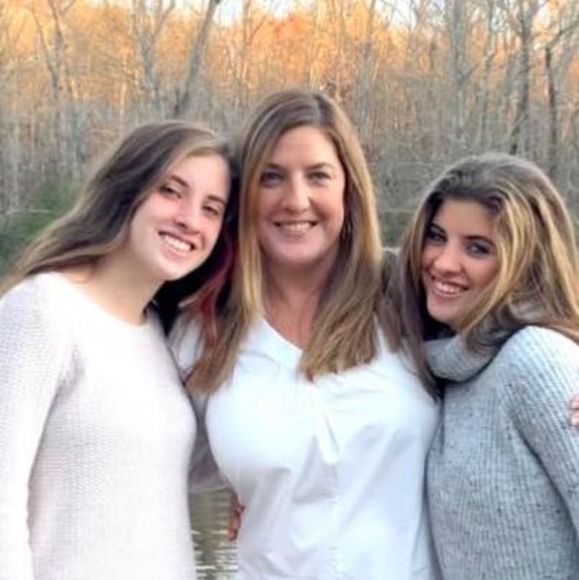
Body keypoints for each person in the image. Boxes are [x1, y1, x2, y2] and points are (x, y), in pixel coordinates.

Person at [171, 89, 440, 579]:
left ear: (348, 190)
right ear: (244, 194)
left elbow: (519, 327)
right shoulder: (201, 331)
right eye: (271, 177)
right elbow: (140, 460)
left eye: (318, 176)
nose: (296, 200)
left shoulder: (412, 297)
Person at [0, 120, 236, 580]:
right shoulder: (42, 311)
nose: (190, 219)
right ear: (127, 189)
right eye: (171, 191)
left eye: (211, 209)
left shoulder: (163, 337)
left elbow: (166, 469)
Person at [396, 152, 579, 579]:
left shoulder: (537, 361)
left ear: (524, 262)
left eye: (477, 248)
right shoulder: (453, 363)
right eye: (437, 237)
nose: (444, 263)